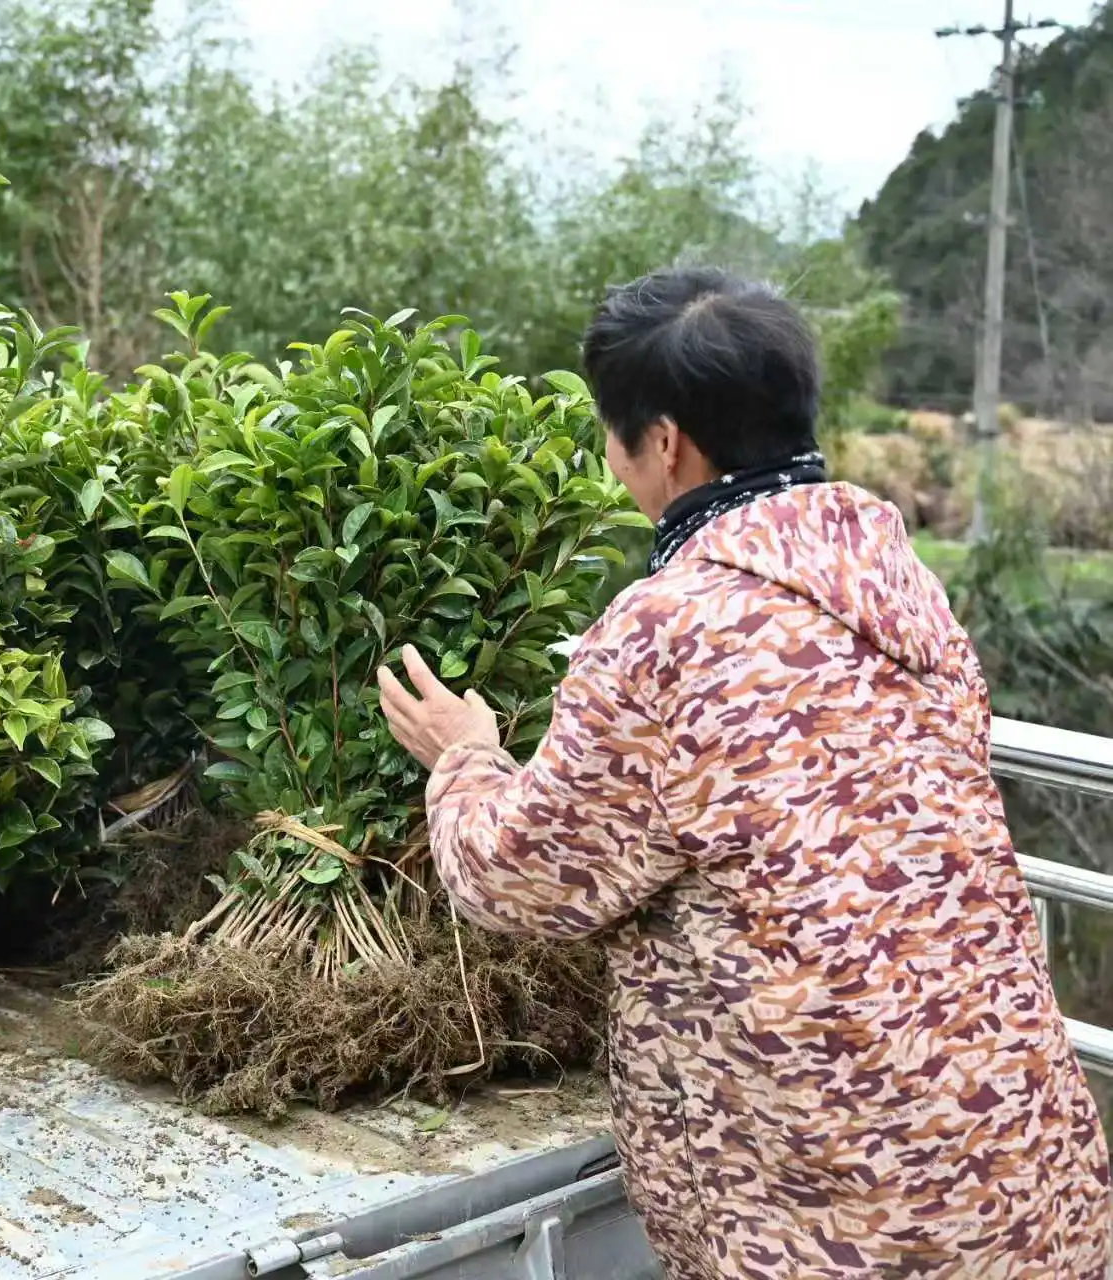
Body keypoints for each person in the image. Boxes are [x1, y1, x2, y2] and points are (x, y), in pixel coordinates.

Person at [377, 267, 1112, 1279]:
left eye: (610, 431)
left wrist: (463, 755)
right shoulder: (893, 578)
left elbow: (524, 876)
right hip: (1021, 1173)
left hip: (840, 1217)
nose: (609, 456)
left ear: (663, 439)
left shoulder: (666, 628)